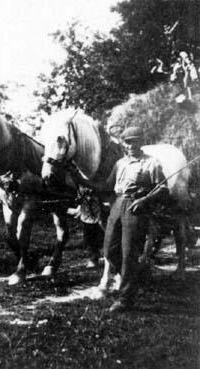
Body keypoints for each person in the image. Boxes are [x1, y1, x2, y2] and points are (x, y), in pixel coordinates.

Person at [70, 126, 169, 312]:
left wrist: (145, 200)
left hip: (136, 208)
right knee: (108, 250)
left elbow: (163, 189)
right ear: (123, 143)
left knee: (129, 253)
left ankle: (125, 299)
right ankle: (134, 274)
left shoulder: (152, 163)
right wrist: (80, 180)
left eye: (135, 141)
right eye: (127, 141)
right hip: (117, 205)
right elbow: (106, 186)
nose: (131, 145)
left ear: (141, 142)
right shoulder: (120, 163)